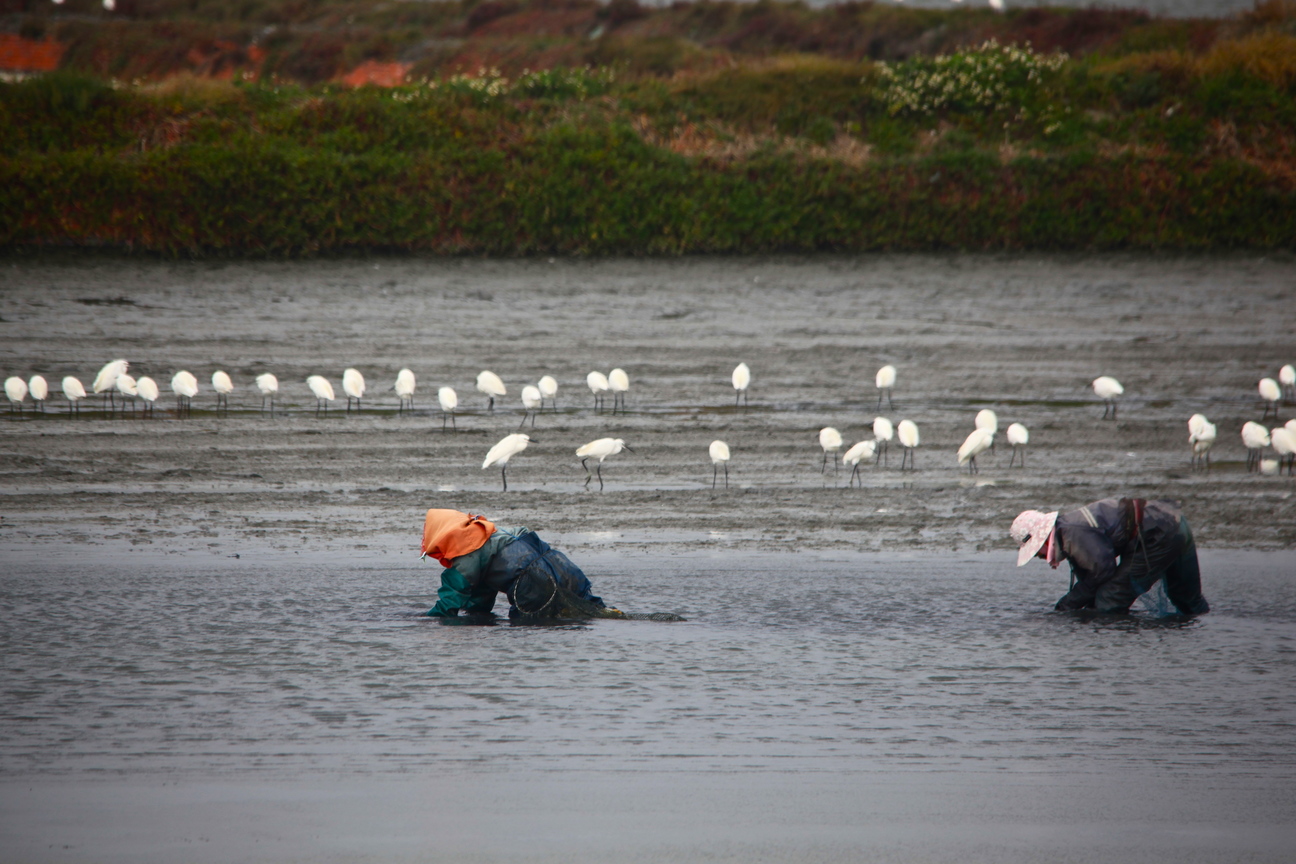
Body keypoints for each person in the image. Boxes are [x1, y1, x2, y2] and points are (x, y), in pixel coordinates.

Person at [1010, 498, 1210, 615]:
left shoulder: (1072, 533)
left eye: (1036, 552)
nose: (1038, 556)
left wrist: (1066, 606)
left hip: (1158, 533)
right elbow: (1090, 580)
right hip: (1172, 522)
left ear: (1044, 539)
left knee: (1108, 600)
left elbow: (1102, 572)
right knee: (1189, 601)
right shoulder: (1067, 531)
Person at [420, 509, 619, 619]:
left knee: (531, 625)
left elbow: (451, 597)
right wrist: (477, 615)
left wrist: (429, 620)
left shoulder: (467, 554)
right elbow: (482, 595)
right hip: (564, 569)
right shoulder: (496, 534)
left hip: (533, 585)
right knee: (591, 612)